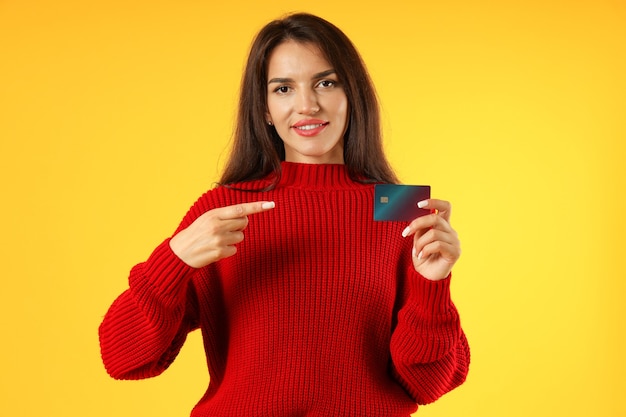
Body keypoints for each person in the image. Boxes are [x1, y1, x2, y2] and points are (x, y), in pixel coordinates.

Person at [99, 12, 470, 416]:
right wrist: (173, 260)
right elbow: (122, 358)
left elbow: (427, 385)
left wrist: (435, 284)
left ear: (352, 96)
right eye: (283, 89)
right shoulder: (224, 209)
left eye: (326, 83)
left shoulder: (398, 208)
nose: (307, 105)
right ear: (264, 109)